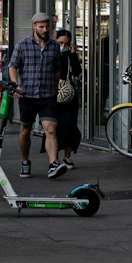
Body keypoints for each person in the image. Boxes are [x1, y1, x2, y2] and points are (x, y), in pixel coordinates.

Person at [6, 12, 62, 179]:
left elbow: (57, 70)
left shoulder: (54, 46)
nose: (45, 29)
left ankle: (53, 164)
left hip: (48, 95)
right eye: (41, 26)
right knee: (25, 130)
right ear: (34, 27)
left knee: (50, 129)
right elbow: (12, 65)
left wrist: (56, 87)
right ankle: (25, 162)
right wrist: (16, 84)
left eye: (47, 26)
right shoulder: (23, 45)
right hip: (27, 95)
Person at [51, 28, 82, 175]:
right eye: (60, 43)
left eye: (66, 43)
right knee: (54, 127)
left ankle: (67, 157)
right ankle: (54, 159)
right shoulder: (51, 55)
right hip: (54, 94)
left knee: (70, 126)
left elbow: (77, 71)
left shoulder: (69, 56)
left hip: (69, 95)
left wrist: (73, 54)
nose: (63, 46)